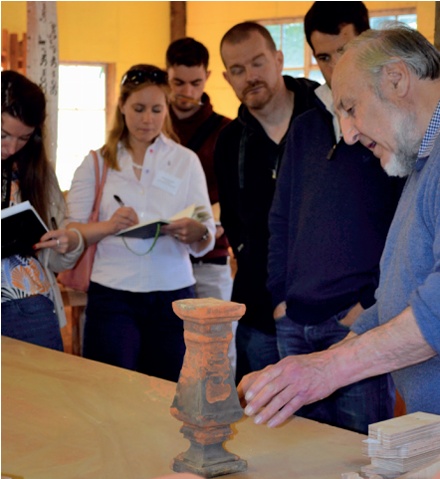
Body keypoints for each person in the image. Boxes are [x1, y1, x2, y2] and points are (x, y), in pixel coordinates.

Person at [238, 25, 440, 428]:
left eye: (350, 107)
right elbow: (401, 296)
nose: (347, 134)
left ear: (396, 79)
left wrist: (328, 369)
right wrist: (311, 365)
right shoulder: (420, 162)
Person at [266, 2, 404, 434]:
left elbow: (403, 227)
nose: (333, 66)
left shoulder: (394, 126)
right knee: (297, 457)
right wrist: (279, 299)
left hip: (357, 323)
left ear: (366, 44)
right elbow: (281, 219)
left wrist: (369, 303)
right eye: (323, 56)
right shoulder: (305, 128)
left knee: (360, 454)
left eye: (343, 51)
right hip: (294, 320)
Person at [67, 64, 215, 382]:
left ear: (166, 110)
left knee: (167, 391)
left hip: (173, 293)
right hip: (113, 294)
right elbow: (71, 234)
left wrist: (196, 231)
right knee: (110, 389)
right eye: (138, 108)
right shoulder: (97, 162)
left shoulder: (184, 160)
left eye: (156, 109)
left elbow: (206, 229)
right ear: (122, 107)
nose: (147, 119)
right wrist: (109, 226)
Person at [214, 22, 319, 383]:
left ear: (278, 59)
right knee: (262, 427)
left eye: (258, 63)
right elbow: (232, 220)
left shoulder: (327, 118)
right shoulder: (229, 142)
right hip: (258, 313)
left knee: (345, 435)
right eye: (238, 70)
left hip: (331, 313)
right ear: (228, 78)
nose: (250, 77)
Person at [165, 38, 237, 372]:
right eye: (178, 82)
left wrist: (210, 224)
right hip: (162, 258)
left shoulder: (226, 131)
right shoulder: (153, 127)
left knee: (217, 354)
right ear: (167, 76)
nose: (187, 92)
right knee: (167, 353)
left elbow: (235, 197)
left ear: (207, 77)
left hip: (211, 256)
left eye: (195, 83)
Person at [1, 70, 85, 351]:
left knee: (42, 393)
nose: (11, 147)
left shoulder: (37, 173)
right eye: (3, 135)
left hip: (29, 306)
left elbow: (55, 259)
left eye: (23, 138)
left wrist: (69, 243)